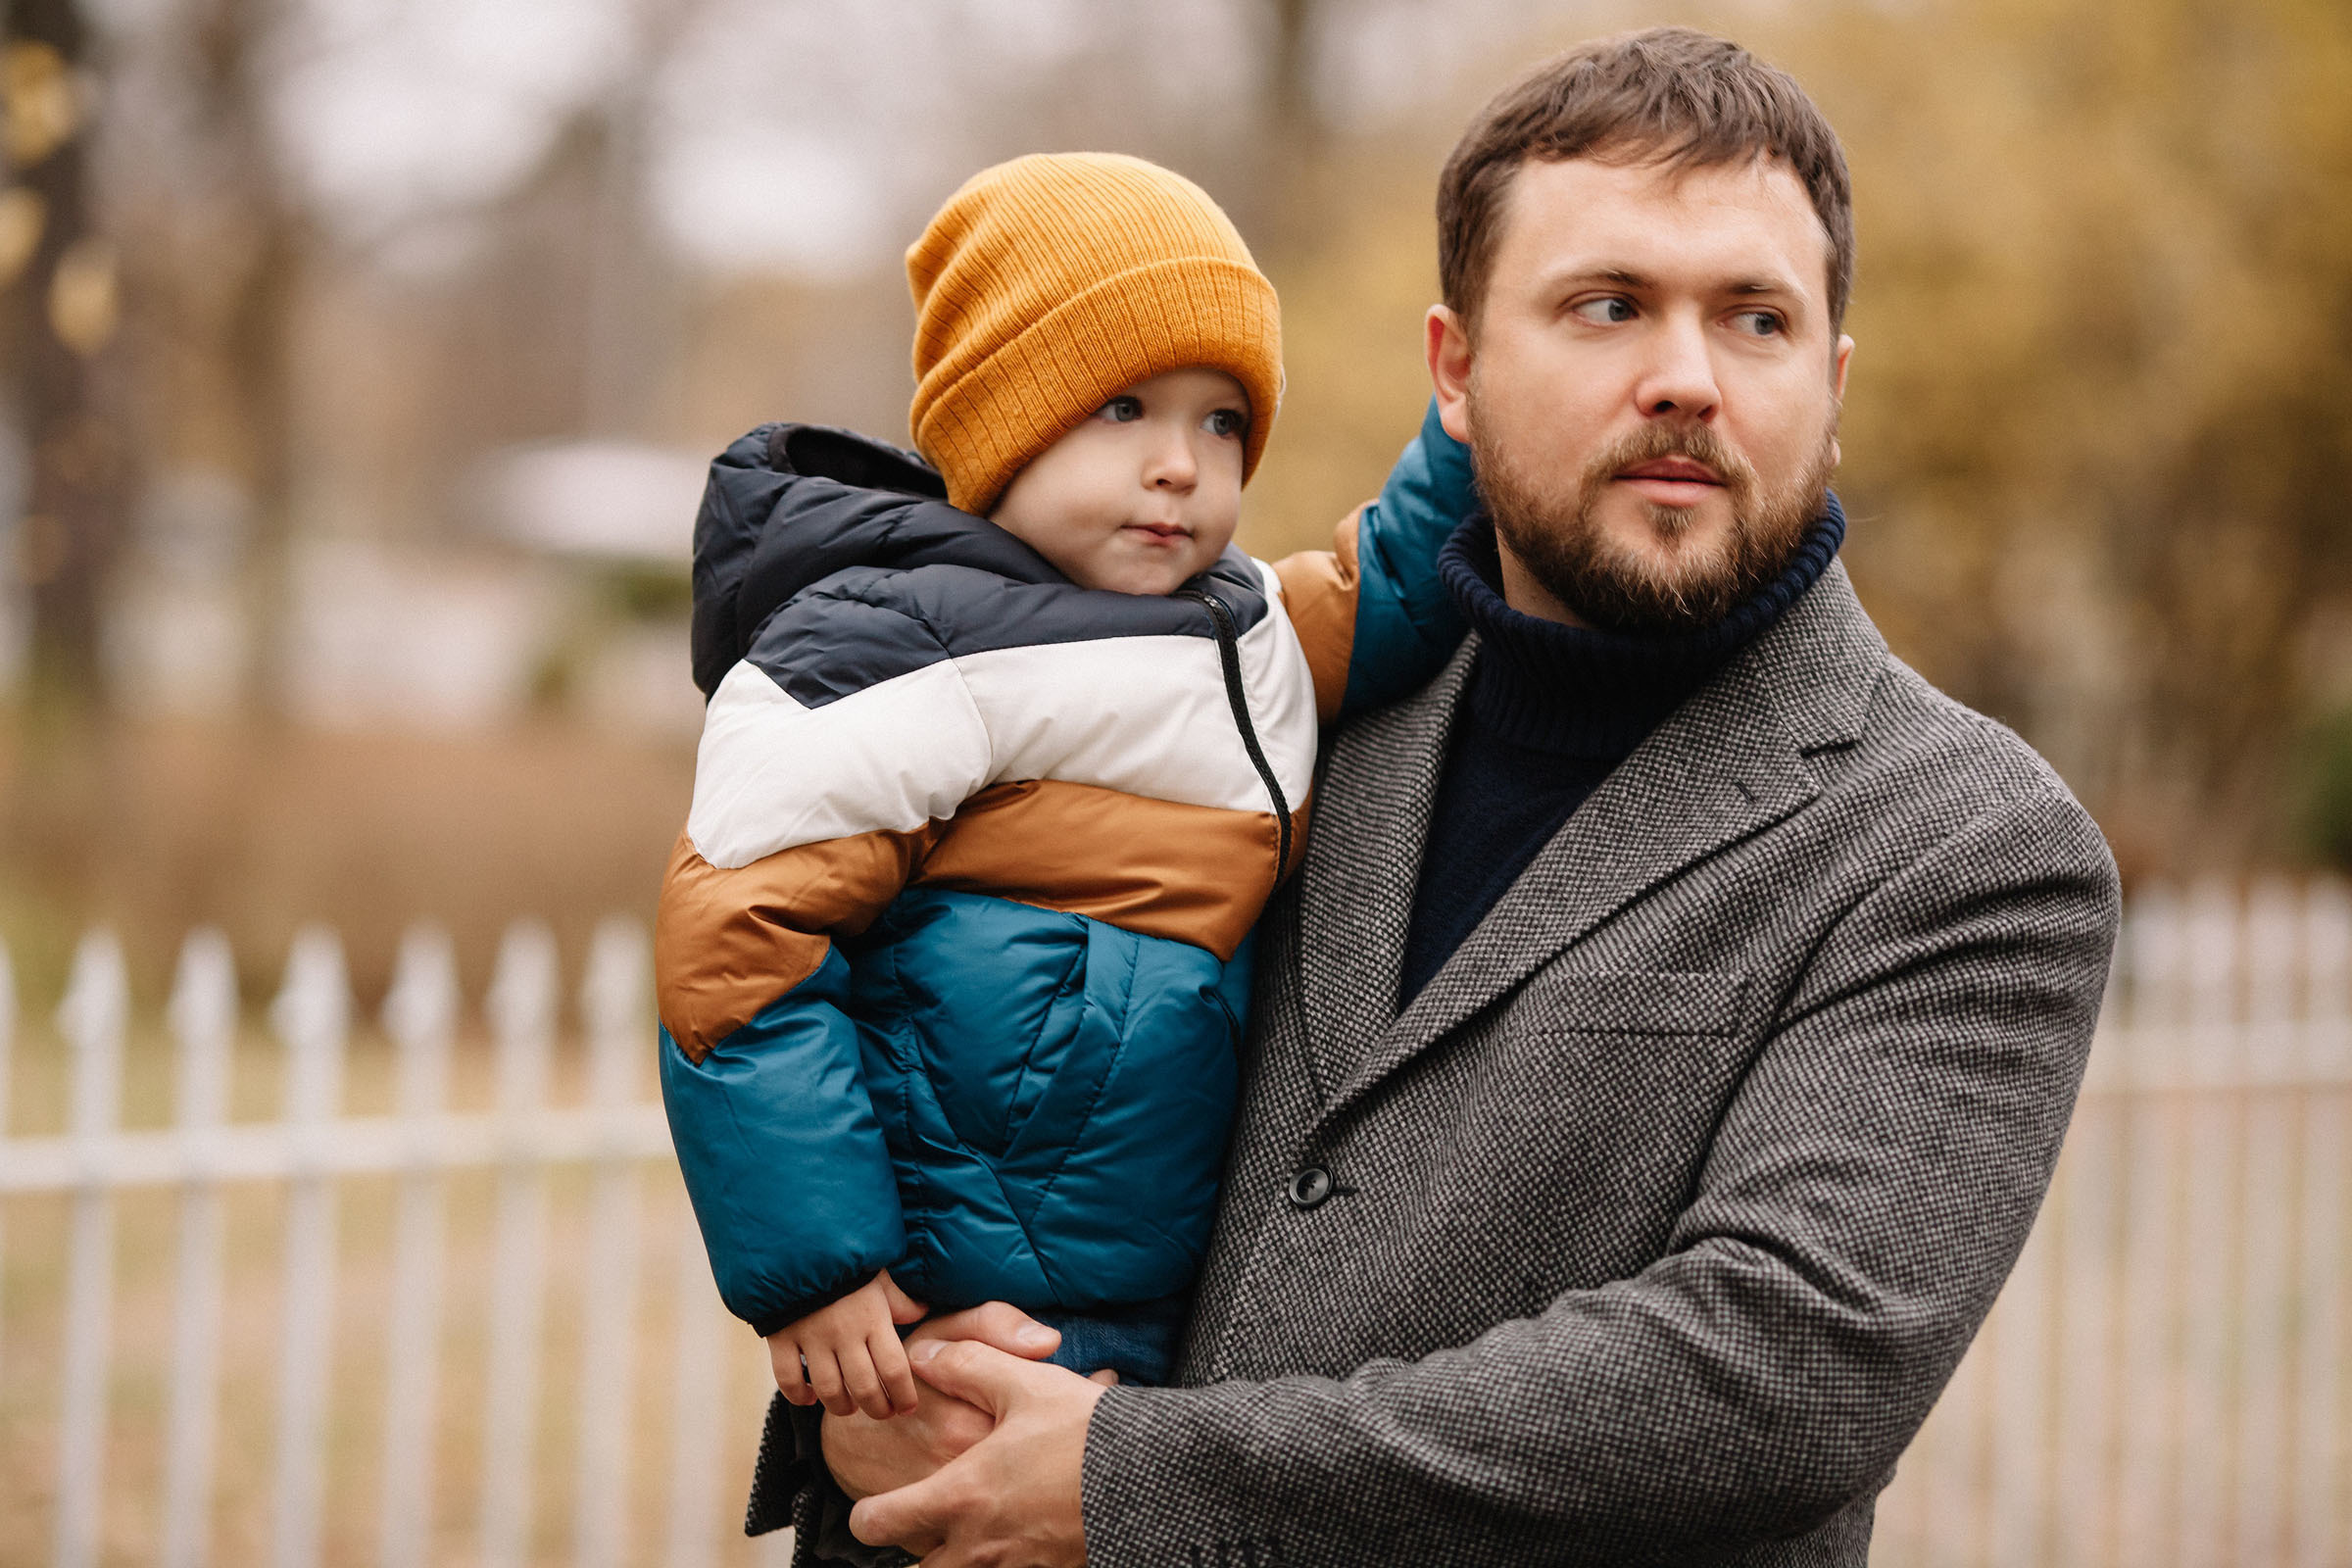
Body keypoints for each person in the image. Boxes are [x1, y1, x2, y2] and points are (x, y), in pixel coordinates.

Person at [812, 27, 2124, 1568]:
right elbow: (933, 1038)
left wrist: (1135, 1485)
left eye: (1754, 319)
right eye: (1608, 305)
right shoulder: (1271, 708)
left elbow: (1773, 1376)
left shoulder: (1967, 844)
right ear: (1456, 368)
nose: (1686, 379)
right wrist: (884, 1387)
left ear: (1830, 385)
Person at [654, 152, 1472, 1477]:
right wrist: (819, 1265)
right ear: (1000, 426)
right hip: (954, 1310)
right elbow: (740, 943)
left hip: (1155, 1299)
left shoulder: (1242, 630)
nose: (1179, 467)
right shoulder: (897, 640)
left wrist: (1474, 413)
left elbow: (1400, 578)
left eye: (1222, 424)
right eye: (1126, 408)